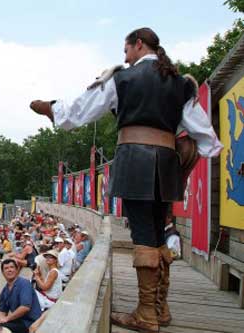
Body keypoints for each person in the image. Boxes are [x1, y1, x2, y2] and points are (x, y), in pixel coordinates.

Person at [30, 27, 222, 333]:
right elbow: (206, 138)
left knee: (144, 234)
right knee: (159, 232)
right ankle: (160, 307)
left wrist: (52, 109)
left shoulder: (122, 78)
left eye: (126, 49)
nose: (125, 56)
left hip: (135, 163)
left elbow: (79, 113)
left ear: (139, 45)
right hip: (166, 164)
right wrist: (182, 160)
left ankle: (146, 314)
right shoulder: (181, 83)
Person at [0, 259, 41, 333]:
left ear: (17, 270)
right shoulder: (5, 290)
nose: (9, 270)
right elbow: (2, 311)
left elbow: (25, 307)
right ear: (3, 272)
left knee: (1, 329)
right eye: (6, 268)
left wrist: (7, 319)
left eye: (12, 267)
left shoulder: (24, 283)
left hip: (30, 322)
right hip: (17, 321)